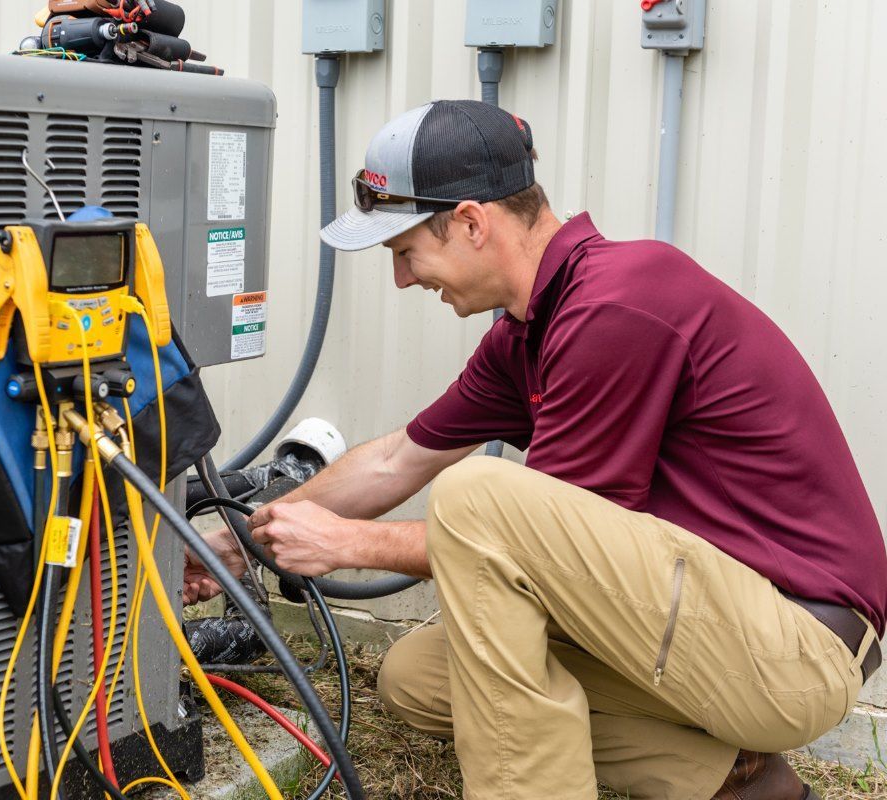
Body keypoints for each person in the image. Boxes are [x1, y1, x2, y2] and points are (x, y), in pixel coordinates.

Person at [183, 100, 886, 800]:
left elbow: (514, 540)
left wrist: (350, 544)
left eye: (405, 252)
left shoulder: (618, 305)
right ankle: (735, 780)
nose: (403, 279)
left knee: (478, 496)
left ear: (469, 222)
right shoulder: (528, 336)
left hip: (796, 646)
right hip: (708, 628)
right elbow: (397, 460)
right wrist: (235, 541)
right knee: (420, 678)